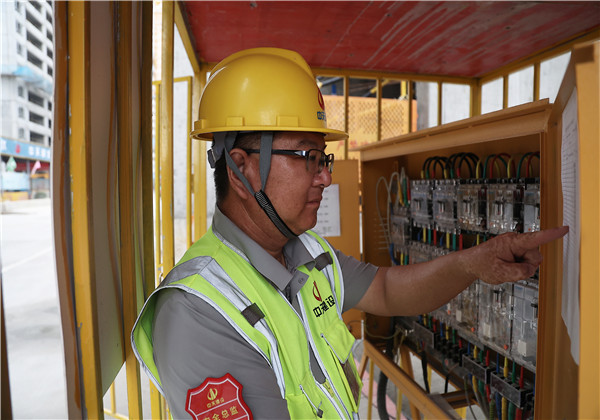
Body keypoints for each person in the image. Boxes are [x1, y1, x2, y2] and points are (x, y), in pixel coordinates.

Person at [132, 47, 567, 419]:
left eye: (323, 159)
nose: (325, 177)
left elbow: (387, 290)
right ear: (241, 169)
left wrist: (474, 263)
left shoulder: (309, 254)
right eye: (308, 157)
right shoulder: (199, 312)